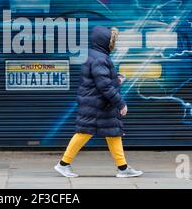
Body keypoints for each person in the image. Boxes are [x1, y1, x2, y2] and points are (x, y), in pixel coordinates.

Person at [54, 25, 143, 178]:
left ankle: (123, 168)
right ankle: (63, 164)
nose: (113, 44)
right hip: (97, 104)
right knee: (84, 133)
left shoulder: (94, 55)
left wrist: (116, 79)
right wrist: (120, 103)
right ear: (104, 41)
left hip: (97, 103)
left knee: (113, 133)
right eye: (111, 41)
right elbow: (104, 86)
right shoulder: (100, 59)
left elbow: (101, 80)